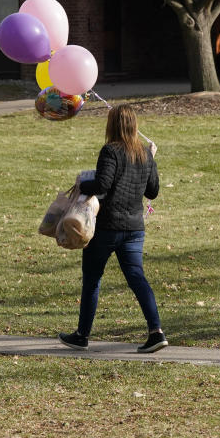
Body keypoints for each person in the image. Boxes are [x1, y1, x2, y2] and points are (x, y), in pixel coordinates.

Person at [58, 104, 166, 353]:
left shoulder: (110, 151)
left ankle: (82, 335)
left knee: (93, 279)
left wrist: (82, 184)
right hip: (134, 228)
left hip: (107, 227)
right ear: (134, 125)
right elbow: (153, 191)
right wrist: (151, 160)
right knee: (137, 278)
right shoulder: (145, 154)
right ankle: (156, 331)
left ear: (112, 125)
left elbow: (103, 183)